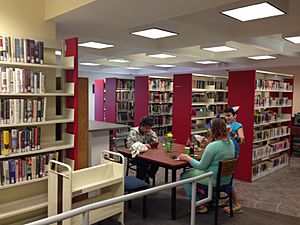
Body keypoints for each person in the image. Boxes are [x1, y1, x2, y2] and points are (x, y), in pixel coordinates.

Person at [178, 118, 235, 213]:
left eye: (210, 128)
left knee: (185, 176)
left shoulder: (213, 146)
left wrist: (188, 158)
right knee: (193, 173)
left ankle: (198, 205)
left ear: (213, 130)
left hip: (212, 179)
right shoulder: (230, 143)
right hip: (226, 179)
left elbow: (201, 166)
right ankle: (205, 199)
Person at [222, 106, 245, 214]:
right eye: (225, 115)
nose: (226, 118)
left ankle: (237, 205)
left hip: (233, 156)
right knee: (225, 179)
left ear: (235, 116)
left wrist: (231, 132)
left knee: (228, 181)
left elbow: (242, 141)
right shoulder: (226, 124)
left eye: (228, 115)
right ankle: (229, 200)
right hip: (224, 154)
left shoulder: (238, 126)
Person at [126, 116, 159, 183]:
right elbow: (129, 145)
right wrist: (143, 145)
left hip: (147, 154)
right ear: (141, 126)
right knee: (144, 162)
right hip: (136, 154)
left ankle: (147, 175)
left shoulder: (149, 132)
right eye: (146, 128)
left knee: (157, 161)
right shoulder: (133, 132)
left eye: (149, 128)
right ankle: (141, 180)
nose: (148, 130)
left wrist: (152, 134)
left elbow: (156, 141)